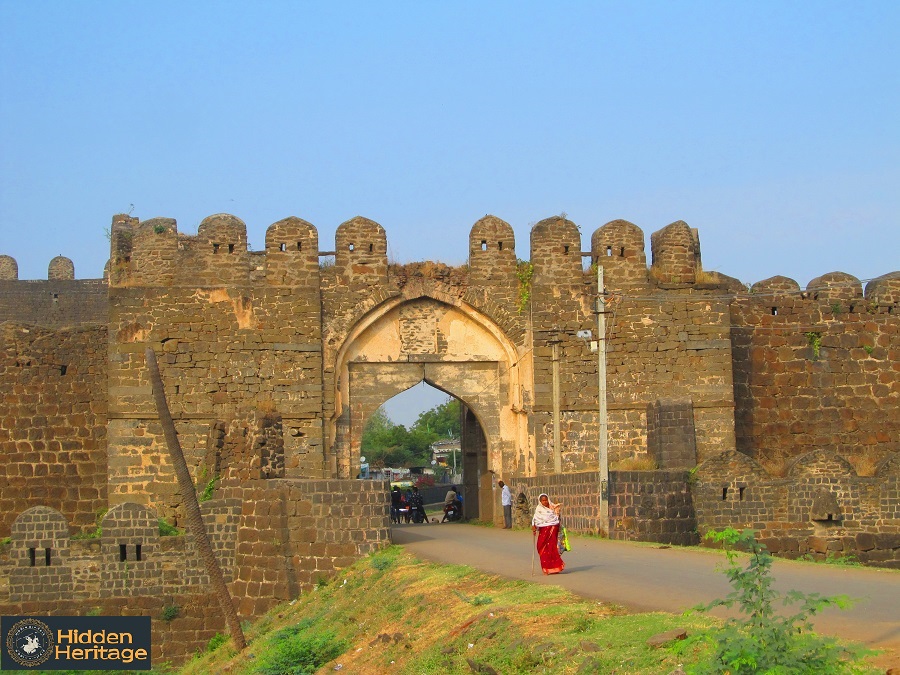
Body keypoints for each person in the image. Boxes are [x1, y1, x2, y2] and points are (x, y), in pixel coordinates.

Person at [531, 493, 565, 575]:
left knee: (552, 549)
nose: (545, 502)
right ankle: (545, 568)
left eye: (546, 500)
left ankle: (555, 568)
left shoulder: (552, 508)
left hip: (553, 530)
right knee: (541, 547)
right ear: (540, 501)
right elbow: (535, 519)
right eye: (543, 500)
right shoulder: (538, 510)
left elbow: (556, 519)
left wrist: (557, 514)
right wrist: (534, 527)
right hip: (543, 532)